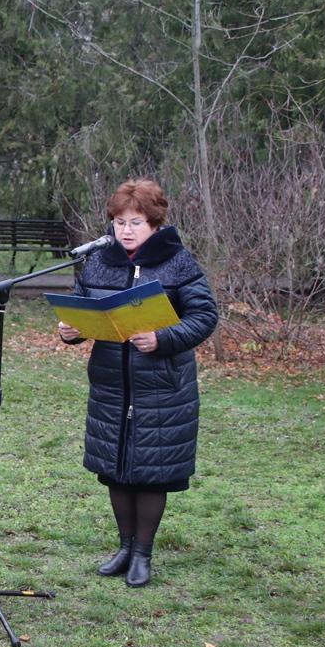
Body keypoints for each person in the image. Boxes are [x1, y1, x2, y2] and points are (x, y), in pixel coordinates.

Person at [59, 179, 217, 587]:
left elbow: (204, 317)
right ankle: (125, 547)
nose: (126, 230)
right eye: (119, 222)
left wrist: (163, 339)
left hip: (162, 385)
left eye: (136, 222)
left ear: (155, 224)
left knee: (151, 470)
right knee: (115, 468)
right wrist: (73, 330)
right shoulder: (99, 262)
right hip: (112, 383)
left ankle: (143, 554)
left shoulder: (178, 263)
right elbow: (85, 306)